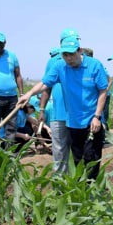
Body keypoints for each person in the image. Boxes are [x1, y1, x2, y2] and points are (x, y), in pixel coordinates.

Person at [18, 36, 108, 179]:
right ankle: (81, 192)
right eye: (65, 55)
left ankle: (93, 192)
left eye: (71, 54)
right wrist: (29, 94)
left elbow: (103, 91)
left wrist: (97, 116)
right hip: (73, 122)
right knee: (77, 160)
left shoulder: (94, 65)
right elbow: (44, 84)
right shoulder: (60, 67)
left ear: (79, 51)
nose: (68, 58)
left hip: (92, 122)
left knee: (91, 159)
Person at [38, 29, 80, 173]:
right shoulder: (54, 62)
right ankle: (60, 185)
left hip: (78, 115)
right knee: (60, 152)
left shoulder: (83, 61)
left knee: (78, 151)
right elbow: (46, 86)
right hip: (59, 114)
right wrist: (42, 110)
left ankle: (79, 184)